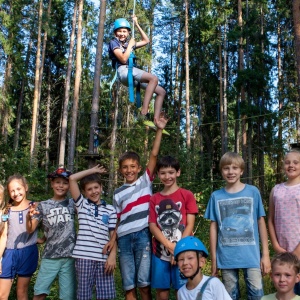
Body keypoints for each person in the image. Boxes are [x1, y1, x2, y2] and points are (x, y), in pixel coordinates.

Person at [113, 112, 168, 300]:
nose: (129, 170)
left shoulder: (145, 181)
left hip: (143, 235)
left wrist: (159, 129)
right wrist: (112, 242)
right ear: (121, 170)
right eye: (125, 167)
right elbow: (117, 220)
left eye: (132, 166)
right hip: (124, 239)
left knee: (144, 284)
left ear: (138, 168)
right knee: (129, 286)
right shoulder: (117, 192)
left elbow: (154, 154)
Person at [204, 152, 271, 300]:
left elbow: (261, 222)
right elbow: (214, 227)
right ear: (221, 171)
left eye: (235, 168)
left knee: (257, 295)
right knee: (229, 296)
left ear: (241, 170)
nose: (230, 172)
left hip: (251, 255)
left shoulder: (253, 192)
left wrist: (265, 255)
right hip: (226, 257)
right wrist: (214, 259)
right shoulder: (216, 196)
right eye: (226, 168)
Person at [148, 155, 198, 299]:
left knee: (182, 289)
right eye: (163, 173)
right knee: (162, 291)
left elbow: (190, 224)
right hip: (160, 252)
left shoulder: (186, 195)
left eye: (171, 172)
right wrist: (169, 246)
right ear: (158, 174)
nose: (167, 176)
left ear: (178, 172)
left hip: (183, 252)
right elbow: (152, 225)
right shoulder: (154, 199)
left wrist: (178, 249)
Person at [26, 167, 76, 300]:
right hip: (50, 256)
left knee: (68, 296)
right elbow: (31, 229)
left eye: (65, 183)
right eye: (58, 182)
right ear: (52, 183)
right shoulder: (43, 205)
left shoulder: (73, 203)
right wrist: (28, 218)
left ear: (70, 185)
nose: (61, 185)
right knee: (39, 292)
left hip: (70, 257)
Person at [69, 165, 117, 300]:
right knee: (84, 294)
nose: (94, 191)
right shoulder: (82, 204)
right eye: (89, 189)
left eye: (96, 187)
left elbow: (113, 236)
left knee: (107, 295)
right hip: (84, 257)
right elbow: (72, 179)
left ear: (101, 188)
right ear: (84, 192)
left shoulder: (110, 210)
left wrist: (112, 256)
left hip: (103, 258)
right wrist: (92, 170)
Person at [108, 15, 166, 126]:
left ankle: (156, 120)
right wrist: (130, 46)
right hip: (123, 71)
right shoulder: (114, 43)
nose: (122, 34)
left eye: (124, 31)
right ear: (115, 33)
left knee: (161, 92)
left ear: (128, 33)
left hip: (131, 72)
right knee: (153, 79)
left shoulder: (127, 44)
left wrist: (137, 24)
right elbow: (123, 59)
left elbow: (146, 40)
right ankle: (144, 110)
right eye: (119, 31)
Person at [0, 174, 39, 300]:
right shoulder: (7, 210)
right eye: (12, 190)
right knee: (2, 294)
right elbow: (4, 236)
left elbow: (31, 229)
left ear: (25, 187)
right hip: (9, 253)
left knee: (21, 292)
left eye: (18, 189)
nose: (16, 193)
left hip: (27, 252)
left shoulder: (35, 206)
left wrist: (43, 238)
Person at [268, 149, 300, 295]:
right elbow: (270, 219)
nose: (291, 165)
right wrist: (275, 245)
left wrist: (297, 252)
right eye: (287, 162)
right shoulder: (276, 190)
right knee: (285, 292)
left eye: (295, 162)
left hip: (298, 251)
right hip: (283, 252)